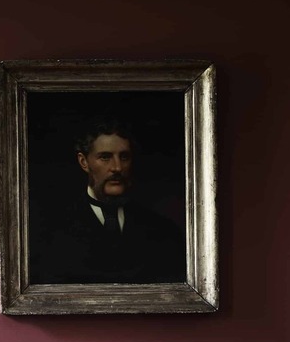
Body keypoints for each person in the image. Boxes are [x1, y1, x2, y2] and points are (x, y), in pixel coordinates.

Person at [29, 120, 186, 285]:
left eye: (124, 157)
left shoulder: (162, 231)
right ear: (84, 162)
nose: (117, 167)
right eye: (105, 157)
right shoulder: (51, 231)